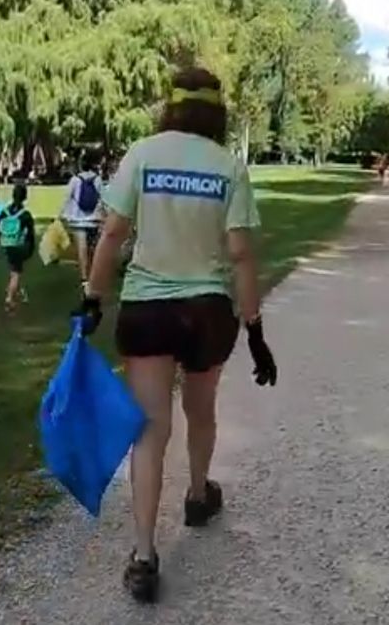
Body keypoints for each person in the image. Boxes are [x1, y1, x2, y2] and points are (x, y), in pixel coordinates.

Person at [73, 66, 278, 603]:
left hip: (147, 309)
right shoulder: (228, 166)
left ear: (171, 105)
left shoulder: (142, 154)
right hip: (207, 310)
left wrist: (93, 297)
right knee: (202, 410)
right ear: (216, 111)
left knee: (150, 431)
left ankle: (143, 554)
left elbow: (113, 232)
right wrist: (255, 330)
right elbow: (240, 254)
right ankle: (196, 494)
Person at [60, 152, 105, 291]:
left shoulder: (75, 180)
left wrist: (62, 215)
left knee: (81, 250)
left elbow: (67, 198)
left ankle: (84, 279)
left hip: (77, 220)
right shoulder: (98, 180)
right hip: (94, 220)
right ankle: (92, 275)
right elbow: (103, 198)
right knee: (92, 249)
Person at [0, 183, 36, 312]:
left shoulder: (4, 212)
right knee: (16, 272)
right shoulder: (26, 215)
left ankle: (17, 291)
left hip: (6, 244)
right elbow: (31, 235)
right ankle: (9, 298)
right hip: (19, 245)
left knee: (14, 270)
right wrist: (31, 249)